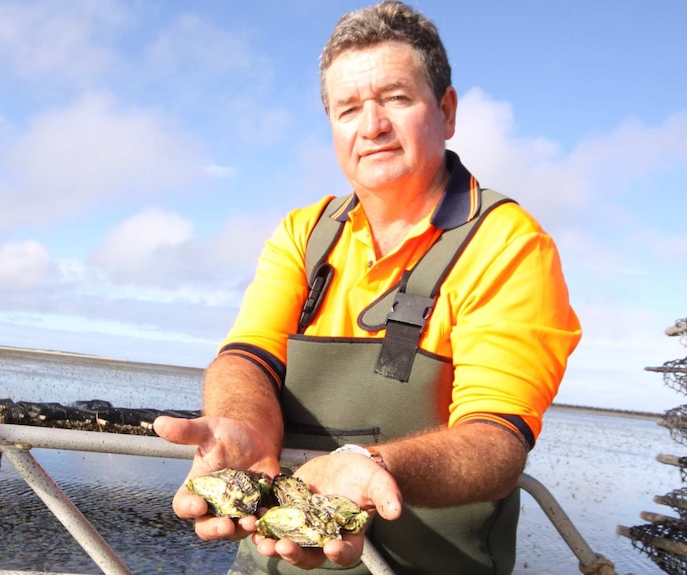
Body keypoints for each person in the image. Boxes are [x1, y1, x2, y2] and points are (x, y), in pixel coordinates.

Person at [154, 1, 581, 573]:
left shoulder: (507, 245)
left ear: (447, 111)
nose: (372, 125)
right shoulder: (304, 234)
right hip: (268, 562)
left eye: (396, 99)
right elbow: (247, 356)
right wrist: (242, 420)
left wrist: (369, 463)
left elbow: (496, 442)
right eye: (348, 108)